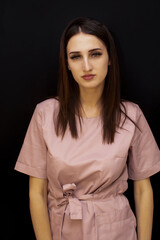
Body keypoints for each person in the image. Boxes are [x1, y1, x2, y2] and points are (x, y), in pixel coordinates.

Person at [14, 17, 160, 240]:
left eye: (95, 54)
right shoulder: (45, 113)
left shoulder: (131, 115)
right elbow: (36, 192)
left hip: (117, 229)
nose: (86, 66)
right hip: (64, 228)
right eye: (76, 57)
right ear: (67, 64)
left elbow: (142, 189)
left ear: (109, 58)